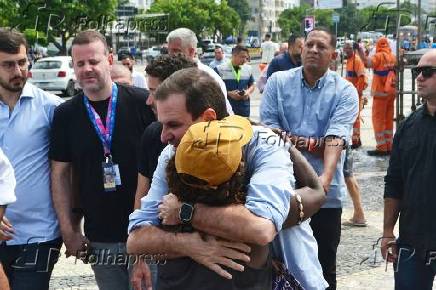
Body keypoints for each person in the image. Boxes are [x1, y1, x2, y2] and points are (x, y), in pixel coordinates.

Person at [128, 68, 327, 290]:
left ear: (208, 118)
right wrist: (189, 244)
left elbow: (260, 230)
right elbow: (136, 240)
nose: (163, 137)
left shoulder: (261, 145)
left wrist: (184, 211)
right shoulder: (172, 153)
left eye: (173, 125)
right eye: (161, 124)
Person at [49, 30, 155, 290]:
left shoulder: (144, 103)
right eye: (80, 63)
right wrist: (69, 230)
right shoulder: (65, 115)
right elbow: (60, 175)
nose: (87, 69)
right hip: (100, 236)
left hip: (147, 233)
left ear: (108, 59)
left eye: (93, 61)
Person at [260, 28, 359, 290]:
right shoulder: (278, 83)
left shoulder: (345, 91)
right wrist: (313, 143)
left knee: (325, 269)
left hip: (327, 198)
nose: (314, 50)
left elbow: (335, 139)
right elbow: (269, 134)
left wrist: (323, 184)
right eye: (309, 45)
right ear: (301, 50)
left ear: (333, 55)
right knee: (279, 265)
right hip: (283, 193)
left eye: (321, 46)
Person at [0, 29, 63, 290]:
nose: (18, 70)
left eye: (22, 62)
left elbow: (65, 169)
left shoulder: (52, 108)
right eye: (7, 64)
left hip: (39, 233)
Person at [382, 50, 436, 290]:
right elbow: (394, 182)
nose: (419, 77)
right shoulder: (408, 126)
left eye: (427, 72)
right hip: (412, 240)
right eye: (417, 71)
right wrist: (386, 232)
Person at [166, 27, 233, 115]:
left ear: (191, 52)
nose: (170, 55)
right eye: (169, 51)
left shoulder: (209, 77)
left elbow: (220, 113)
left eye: (176, 51)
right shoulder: (167, 74)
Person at [357, 37, 396, 156]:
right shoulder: (392, 57)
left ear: (378, 45)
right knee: (388, 119)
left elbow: (368, 63)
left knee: (378, 120)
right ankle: (389, 145)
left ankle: (381, 147)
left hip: (380, 93)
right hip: (391, 91)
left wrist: (360, 51)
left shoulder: (379, 56)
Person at [214, 46, 255, 117]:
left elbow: (252, 84)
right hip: (227, 108)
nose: (245, 60)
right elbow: (214, 88)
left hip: (244, 108)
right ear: (234, 56)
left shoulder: (248, 68)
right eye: (242, 57)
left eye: (246, 57)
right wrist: (229, 93)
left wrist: (247, 92)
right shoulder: (220, 69)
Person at [343, 41, 368, 149]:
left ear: (352, 49)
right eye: (345, 48)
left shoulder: (356, 61)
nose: (346, 50)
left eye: (348, 48)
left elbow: (362, 77)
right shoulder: (349, 61)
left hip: (355, 94)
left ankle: (356, 140)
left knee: (355, 117)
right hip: (350, 93)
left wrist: (358, 92)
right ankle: (355, 139)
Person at [342, 147, 367, 227]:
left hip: (337, 141)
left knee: (347, 175)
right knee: (347, 175)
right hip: (339, 142)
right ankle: (359, 214)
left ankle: (359, 214)